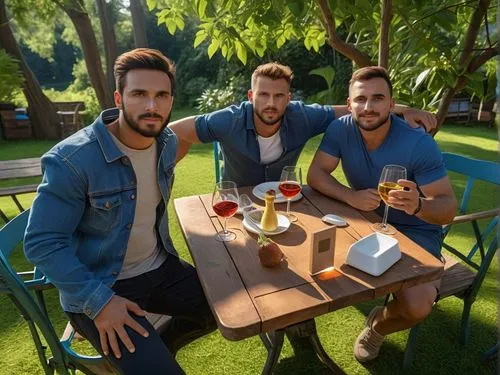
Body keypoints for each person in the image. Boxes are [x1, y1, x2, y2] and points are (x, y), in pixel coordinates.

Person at [24, 48, 216, 374]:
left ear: (171, 100)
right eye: (139, 94)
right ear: (119, 97)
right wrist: (100, 304)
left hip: (160, 268)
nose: (152, 106)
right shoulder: (73, 160)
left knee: (224, 310)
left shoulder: (167, 143)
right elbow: (42, 242)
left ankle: (157, 347)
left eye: (161, 95)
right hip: (101, 286)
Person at [307, 66, 457, 363]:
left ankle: (377, 327)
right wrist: (349, 195)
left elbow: (448, 208)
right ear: (349, 105)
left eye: (377, 99)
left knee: (417, 307)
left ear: (391, 104)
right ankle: (299, 330)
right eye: (360, 99)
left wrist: (418, 205)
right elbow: (316, 174)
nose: (368, 107)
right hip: (364, 222)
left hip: (415, 232)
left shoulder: (418, 143)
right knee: (310, 258)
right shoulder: (340, 128)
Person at [169, 62, 437, 187]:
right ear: (251, 97)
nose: (271, 103)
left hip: (287, 202)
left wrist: (403, 110)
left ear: (288, 98)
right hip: (237, 204)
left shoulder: (303, 117)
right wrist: (164, 172)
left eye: (278, 96)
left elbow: (355, 108)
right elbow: (175, 132)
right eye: (263, 95)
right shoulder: (228, 120)